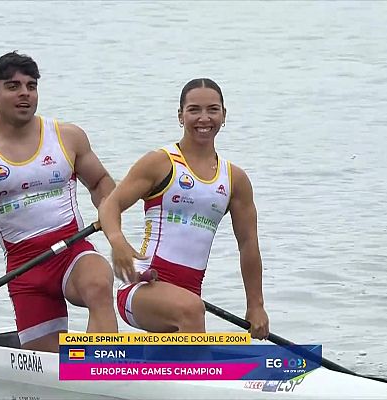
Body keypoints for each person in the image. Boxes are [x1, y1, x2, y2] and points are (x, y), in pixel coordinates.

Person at [0, 51, 118, 352]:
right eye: (13, 86)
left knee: (99, 284)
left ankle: (103, 365)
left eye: (31, 86)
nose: (24, 94)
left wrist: (111, 223)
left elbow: (100, 183)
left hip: (73, 249)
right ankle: (90, 368)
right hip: (25, 269)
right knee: (47, 366)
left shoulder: (67, 137)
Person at [99, 78, 270, 339]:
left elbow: (248, 244)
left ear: (224, 115)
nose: (204, 118)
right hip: (142, 286)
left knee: (191, 308)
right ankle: (197, 374)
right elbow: (111, 204)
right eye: (194, 110)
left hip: (188, 294)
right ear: (181, 116)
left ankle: (163, 371)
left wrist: (256, 306)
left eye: (213, 109)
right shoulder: (160, 163)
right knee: (191, 310)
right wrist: (118, 242)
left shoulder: (235, 179)